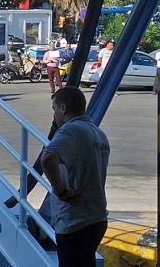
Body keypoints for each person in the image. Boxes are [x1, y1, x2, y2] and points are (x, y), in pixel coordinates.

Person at [38, 86, 110, 267]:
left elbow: (47, 158)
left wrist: (61, 190)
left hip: (75, 219)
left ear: (63, 108)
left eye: (55, 109)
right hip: (97, 217)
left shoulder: (70, 131)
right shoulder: (98, 133)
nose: (54, 115)